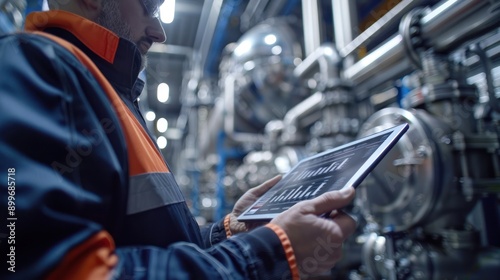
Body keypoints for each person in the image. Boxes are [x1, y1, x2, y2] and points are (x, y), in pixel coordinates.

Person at [0, 0, 357, 279]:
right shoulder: (35, 69)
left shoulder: (107, 91)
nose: (159, 32)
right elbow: (42, 269)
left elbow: (154, 243)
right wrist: (269, 252)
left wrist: (230, 232)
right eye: (149, 8)